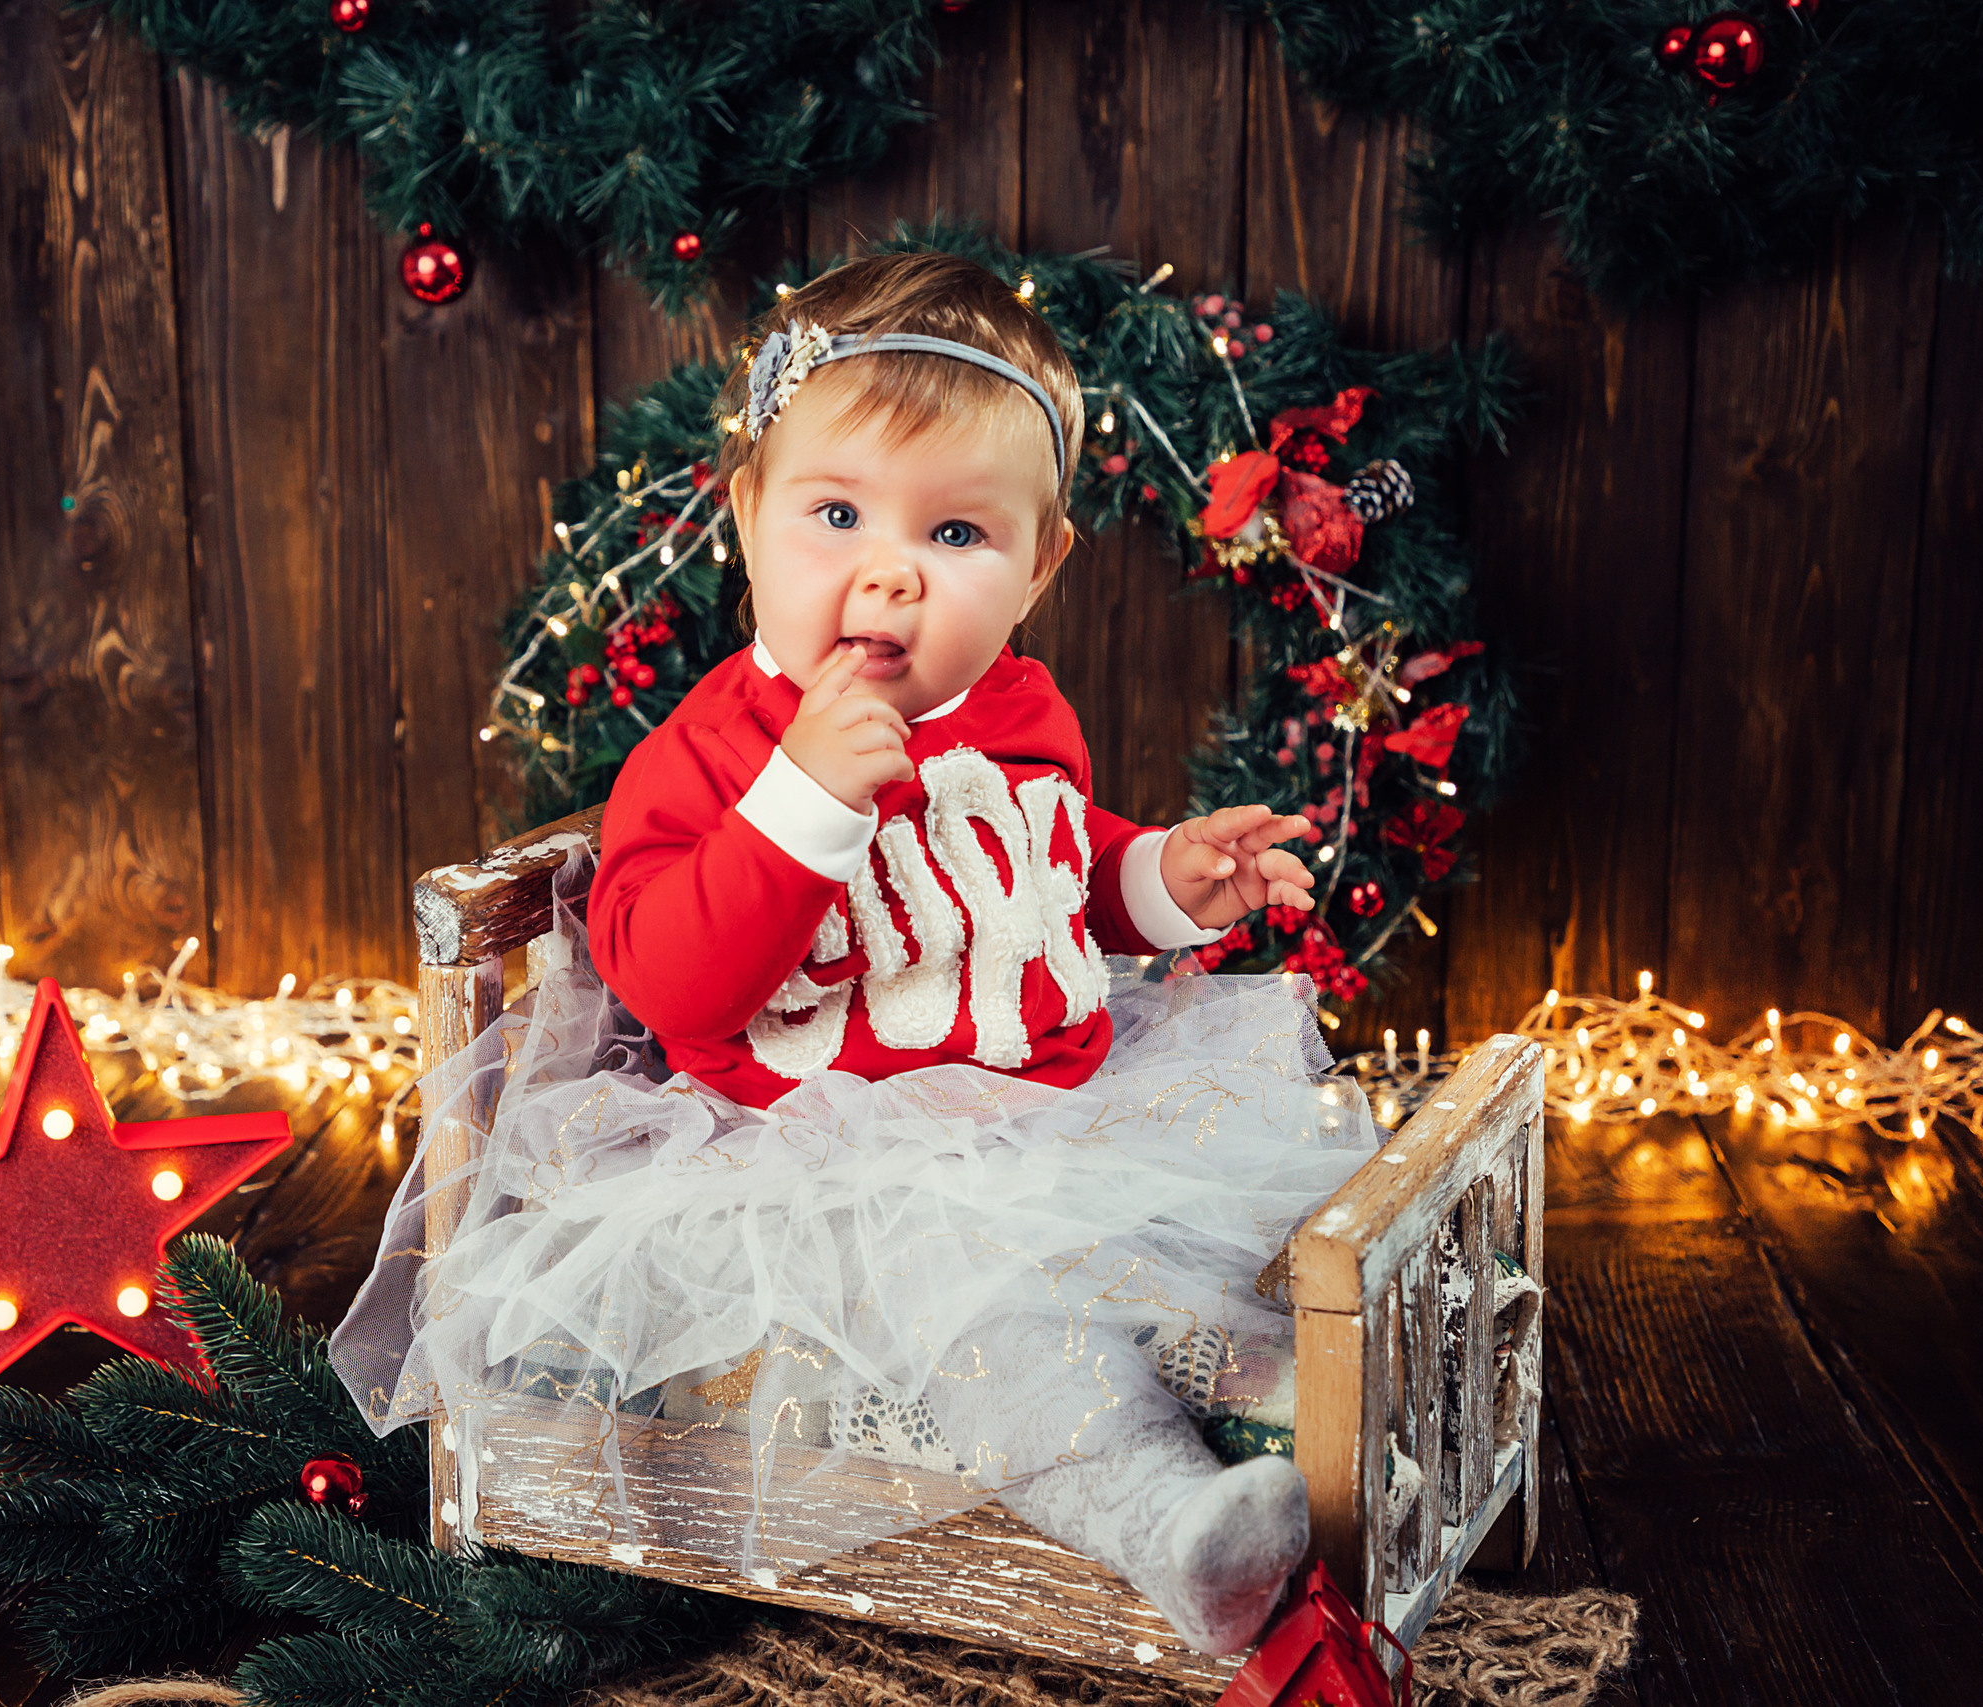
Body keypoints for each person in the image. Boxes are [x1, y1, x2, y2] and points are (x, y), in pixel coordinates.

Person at [332, 250, 1382, 1658]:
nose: (891, 569)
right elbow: (673, 981)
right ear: (748, 519)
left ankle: (1312, 1455)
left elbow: (1044, 874)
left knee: (1255, 1247)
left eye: (957, 533)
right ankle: (1164, 1527)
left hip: (1062, 1117)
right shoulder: (710, 756)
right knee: (988, 1323)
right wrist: (806, 803)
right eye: (837, 514)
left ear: (1038, 569)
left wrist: (1166, 880)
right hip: (839, 1167)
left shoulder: (1020, 709)